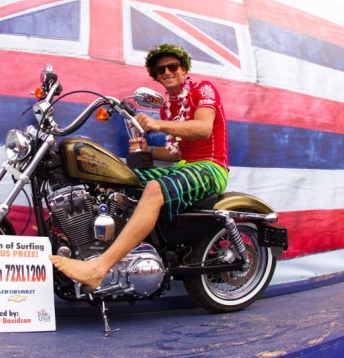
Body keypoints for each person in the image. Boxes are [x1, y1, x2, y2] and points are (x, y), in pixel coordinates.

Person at [49, 43, 229, 289]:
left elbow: (203, 128)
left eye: (172, 66)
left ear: (184, 69)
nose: (166, 72)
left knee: (154, 188)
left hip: (211, 168)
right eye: (159, 71)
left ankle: (98, 269)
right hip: (184, 166)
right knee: (122, 179)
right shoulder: (169, 105)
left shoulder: (202, 89)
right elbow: (175, 153)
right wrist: (148, 150)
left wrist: (158, 125)